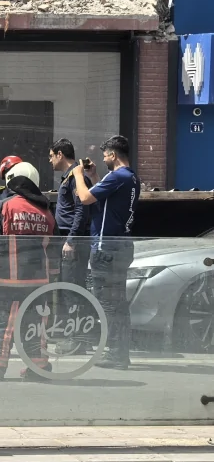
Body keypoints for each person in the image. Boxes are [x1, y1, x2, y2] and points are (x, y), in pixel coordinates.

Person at [0, 162, 59, 382]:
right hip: (39, 283)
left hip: (9, 280)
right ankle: (39, 367)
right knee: (35, 325)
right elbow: (53, 249)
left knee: (2, 324)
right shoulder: (46, 211)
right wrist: (52, 277)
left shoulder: (6, 206)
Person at [71, 135, 140, 370]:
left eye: (105, 156)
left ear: (112, 155)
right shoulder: (130, 178)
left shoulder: (117, 176)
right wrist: (93, 177)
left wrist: (79, 175)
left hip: (106, 247)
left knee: (109, 304)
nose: (103, 159)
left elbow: (86, 198)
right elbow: (105, 197)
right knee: (118, 303)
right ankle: (120, 352)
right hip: (121, 245)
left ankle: (116, 354)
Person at [48, 138, 93, 354]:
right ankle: (78, 339)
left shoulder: (76, 176)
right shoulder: (69, 177)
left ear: (60, 154)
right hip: (67, 240)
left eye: (51, 156)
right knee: (70, 290)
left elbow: (82, 210)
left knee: (73, 290)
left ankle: (79, 340)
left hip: (72, 241)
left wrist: (71, 240)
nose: (50, 161)